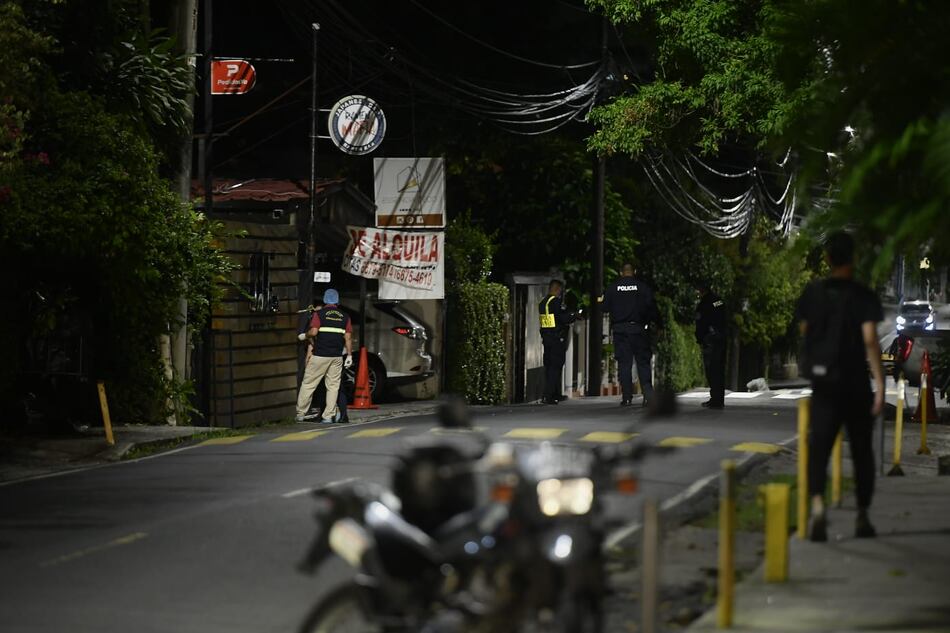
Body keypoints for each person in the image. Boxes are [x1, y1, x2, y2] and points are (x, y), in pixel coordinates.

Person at [795, 231, 884, 541]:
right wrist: (881, 386)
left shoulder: (813, 293)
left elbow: (805, 330)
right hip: (855, 384)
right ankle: (862, 515)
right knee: (861, 450)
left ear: (829, 259)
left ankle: (818, 506)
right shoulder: (862, 296)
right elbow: (871, 340)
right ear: (853, 258)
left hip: (824, 383)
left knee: (819, 446)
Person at [603, 263, 659, 407]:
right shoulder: (642, 287)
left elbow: (604, 307)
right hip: (638, 330)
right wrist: (658, 325)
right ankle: (648, 396)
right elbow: (652, 308)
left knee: (624, 364)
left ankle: (627, 397)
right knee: (643, 363)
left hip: (620, 331)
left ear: (620, 272)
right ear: (634, 271)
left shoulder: (612, 288)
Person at [295, 288, 354, 423]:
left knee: (308, 384)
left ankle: (300, 413)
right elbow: (348, 338)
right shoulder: (345, 316)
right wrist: (349, 355)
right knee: (333, 387)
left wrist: (305, 335)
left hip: (320, 355)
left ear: (325, 300)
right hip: (336, 357)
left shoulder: (320, 314)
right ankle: (328, 416)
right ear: (337, 301)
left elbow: (314, 332)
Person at [539, 279, 575, 404]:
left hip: (547, 338)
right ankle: (548, 396)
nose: (561, 293)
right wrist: (573, 315)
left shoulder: (543, 303)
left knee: (549, 367)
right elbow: (563, 318)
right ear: (557, 289)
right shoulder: (556, 302)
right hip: (556, 338)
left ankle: (555, 394)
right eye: (560, 290)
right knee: (556, 367)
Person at [694, 282, 728, 409]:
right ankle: (719, 399)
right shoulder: (719, 300)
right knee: (719, 370)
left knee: (712, 370)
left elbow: (701, 322)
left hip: (710, 340)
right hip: (721, 339)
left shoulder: (704, 304)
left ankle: (715, 399)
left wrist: (700, 338)